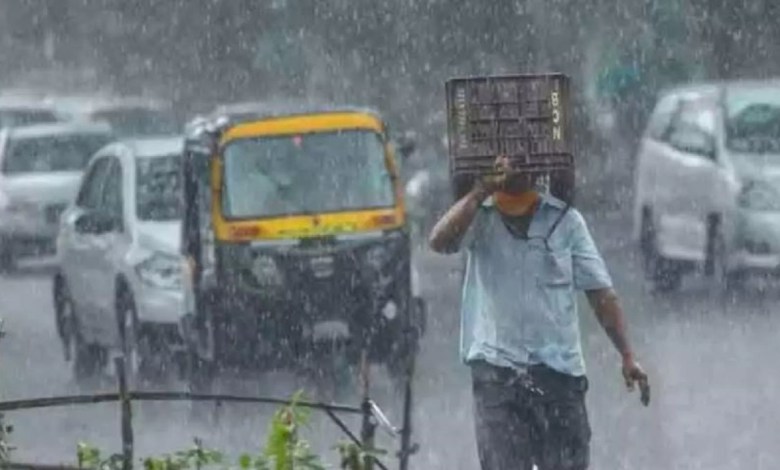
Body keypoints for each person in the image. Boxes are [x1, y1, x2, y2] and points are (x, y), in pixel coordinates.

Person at [428, 156, 650, 470]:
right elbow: (439, 242)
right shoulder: (480, 217)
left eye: (522, 157)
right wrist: (480, 191)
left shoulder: (566, 222)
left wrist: (627, 355)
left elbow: (601, 292)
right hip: (498, 376)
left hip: (559, 377)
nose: (515, 165)